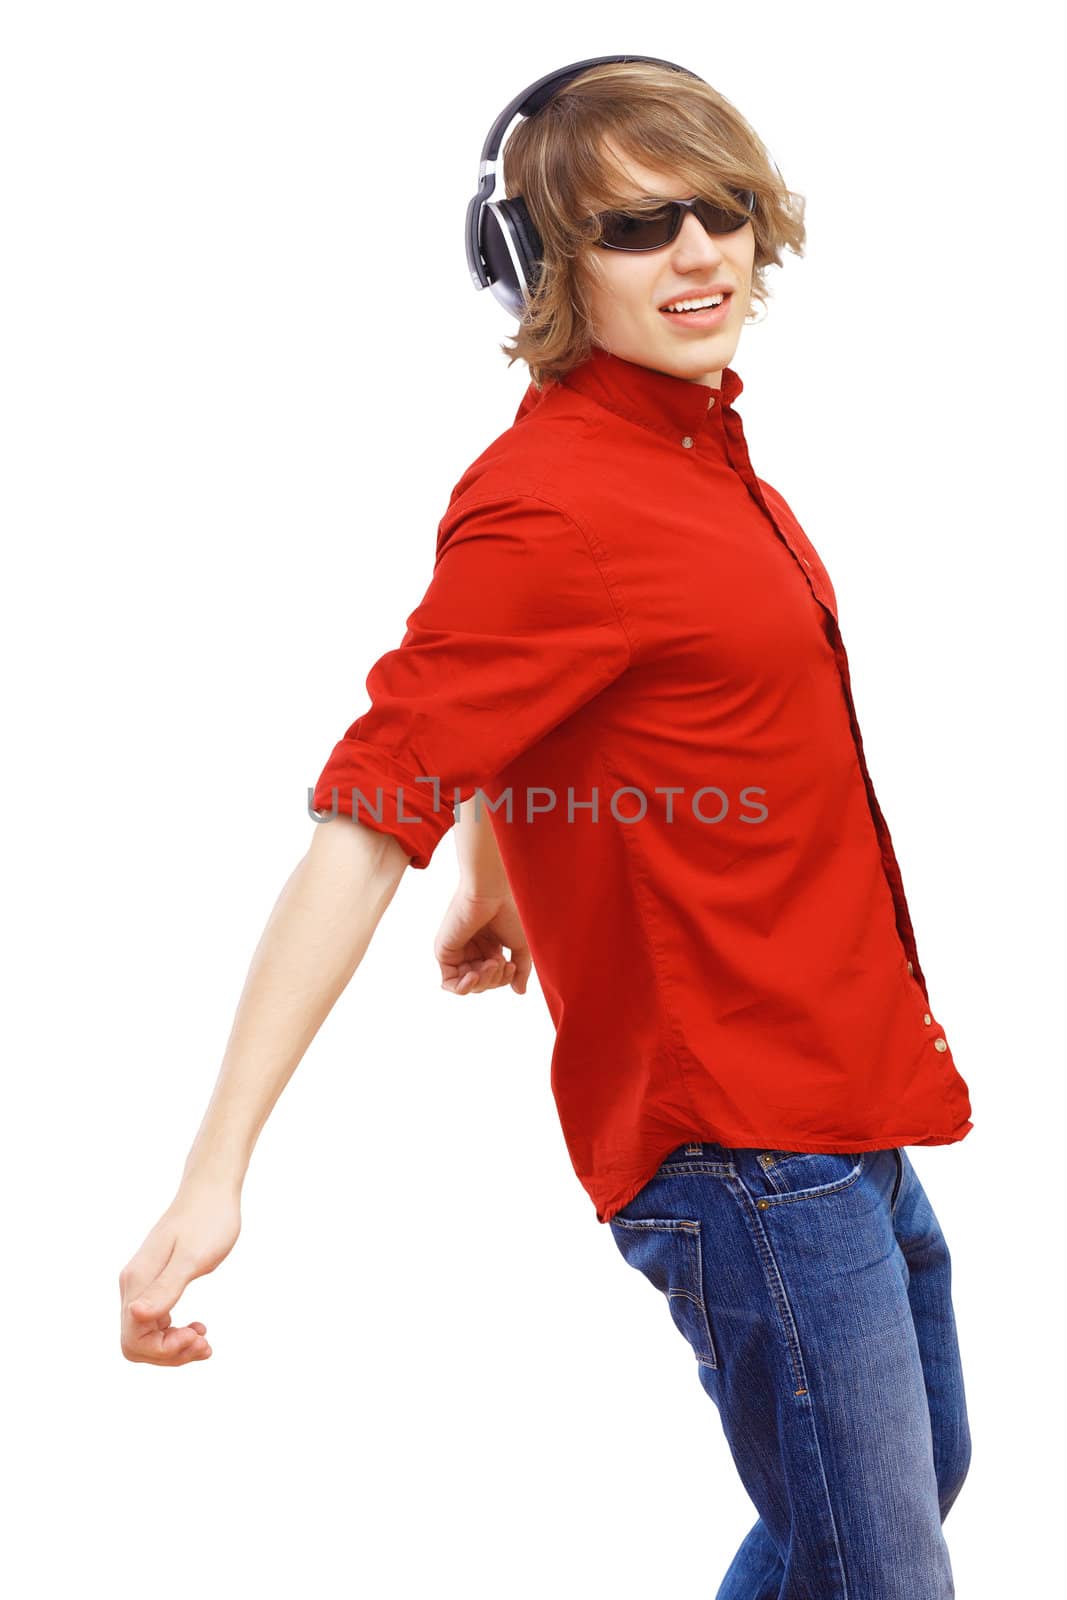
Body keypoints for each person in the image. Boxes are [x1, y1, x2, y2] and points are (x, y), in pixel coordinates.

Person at [119, 57, 973, 1598]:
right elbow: (370, 807)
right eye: (639, 227)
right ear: (542, 267)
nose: (699, 253)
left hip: (843, 1086)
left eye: (716, 210)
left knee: (896, 1503)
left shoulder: (697, 453)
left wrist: (493, 873)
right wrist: (213, 1169)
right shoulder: (555, 504)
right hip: (743, 1136)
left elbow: (554, 706)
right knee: (880, 1567)